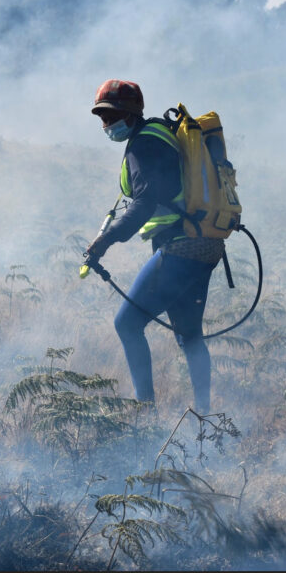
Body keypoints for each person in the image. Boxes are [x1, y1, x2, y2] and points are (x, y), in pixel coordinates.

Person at [85, 79, 223, 413]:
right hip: (206, 245)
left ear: (130, 114)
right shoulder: (161, 133)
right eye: (101, 118)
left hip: (180, 248)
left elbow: (144, 203)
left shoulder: (142, 145)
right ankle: (205, 416)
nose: (106, 124)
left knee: (127, 324)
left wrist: (104, 241)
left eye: (111, 116)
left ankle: (144, 412)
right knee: (189, 335)